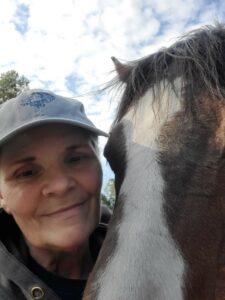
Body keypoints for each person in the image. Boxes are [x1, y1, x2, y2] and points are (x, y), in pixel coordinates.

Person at [0, 89, 110, 300]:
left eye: (76, 158)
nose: (60, 185)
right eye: (28, 173)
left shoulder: (162, 259)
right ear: (1, 196)